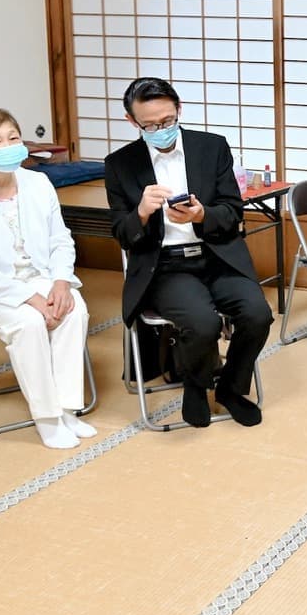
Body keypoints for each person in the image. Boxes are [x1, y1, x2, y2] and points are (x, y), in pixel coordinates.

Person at [105, 77, 272, 429]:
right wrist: (141, 213)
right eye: (149, 125)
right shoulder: (120, 164)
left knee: (257, 314)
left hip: (217, 255)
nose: (159, 130)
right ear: (131, 122)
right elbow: (121, 233)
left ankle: (229, 388)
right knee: (202, 322)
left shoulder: (210, 148)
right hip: (165, 266)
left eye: (166, 122)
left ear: (179, 110)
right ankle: (196, 386)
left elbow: (233, 212)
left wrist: (201, 215)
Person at [0, 108, 93, 450]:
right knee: (29, 323)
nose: (8, 146)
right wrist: (32, 299)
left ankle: (67, 408)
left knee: (73, 311)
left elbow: (60, 239)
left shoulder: (37, 183)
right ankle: (47, 418)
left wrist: (61, 283)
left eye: (13, 138)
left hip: (40, 276)